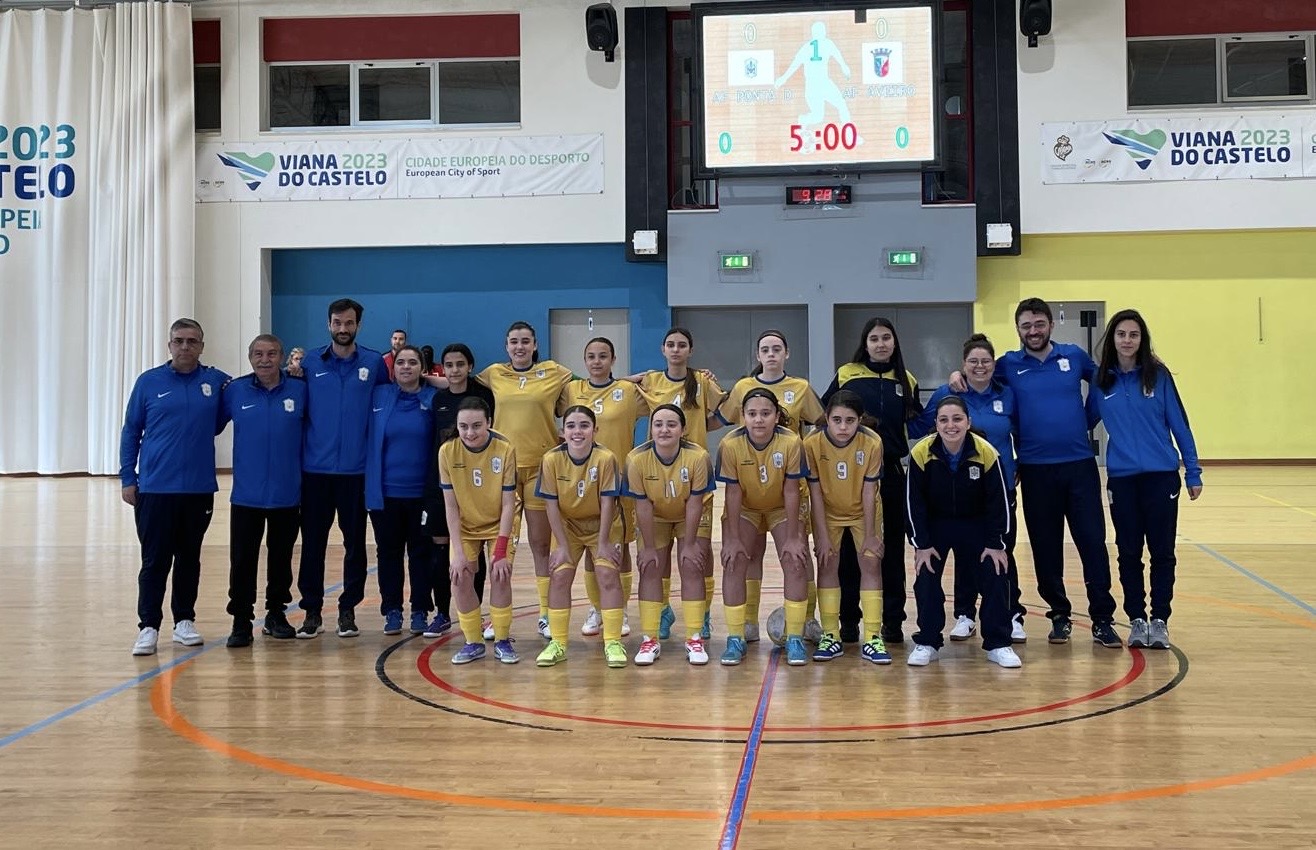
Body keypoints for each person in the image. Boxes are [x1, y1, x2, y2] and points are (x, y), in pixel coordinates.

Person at [952, 298, 1121, 647]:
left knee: (1092, 542)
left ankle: (1103, 618)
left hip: (1079, 466)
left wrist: (1087, 419)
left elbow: (1105, 379)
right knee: (1045, 547)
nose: (1033, 331)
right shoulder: (1007, 365)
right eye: (1026, 325)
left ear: (1050, 325)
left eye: (1039, 324)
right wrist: (956, 375)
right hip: (1034, 470)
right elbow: (978, 375)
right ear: (1018, 329)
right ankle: (1059, 615)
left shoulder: (1073, 356)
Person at [1089, 309, 1202, 650]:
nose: (1127, 340)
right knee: (1128, 552)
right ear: (1112, 339)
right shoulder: (1102, 382)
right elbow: (1081, 422)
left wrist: (1193, 471)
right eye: (1121, 334)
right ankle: (1137, 619)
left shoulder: (1158, 376)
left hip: (1161, 477)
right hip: (1122, 480)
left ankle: (1160, 620)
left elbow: (1180, 424)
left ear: (1142, 339)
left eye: (1134, 334)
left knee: (1162, 552)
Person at [120, 318, 231, 656]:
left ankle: (184, 621)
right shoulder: (149, 382)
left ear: (202, 346)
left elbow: (233, 407)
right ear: (169, 345)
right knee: (154, 560)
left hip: (198, 490)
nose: (185, 346)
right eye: (179, 341)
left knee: (189, 558)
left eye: (192, 341)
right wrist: (128, 477)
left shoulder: (216, 382)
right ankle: (148, 626)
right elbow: (131, 431)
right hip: (155, 489)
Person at [912, 334, 1027, 644]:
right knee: (964, 556)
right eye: (973, 361)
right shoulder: (947, 393)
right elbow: (921, 425)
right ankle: (965, 613)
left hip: (997, 488)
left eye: (985, 361)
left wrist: (1021, 464)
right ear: (963, 365)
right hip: (956, 491)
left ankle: (1011, 614)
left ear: (994, 364)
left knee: (1000, 553)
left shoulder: (1007, 394)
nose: (980, 366)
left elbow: (1023, 431)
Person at [716, 329, 825, 642]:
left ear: (786, 353)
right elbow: (717, 418)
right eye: (765, 349)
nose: (771, 354)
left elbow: (822, 422)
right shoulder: (742, 389)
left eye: (777, 349)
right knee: (748, 555)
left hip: (786, 483)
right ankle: (746, 623)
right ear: (758, 355)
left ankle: (806, 620)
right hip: (749, 485)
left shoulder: (800, 388)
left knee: (797, 554)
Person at [821, 317, 920, 646]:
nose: (881, 344)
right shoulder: (847, 373)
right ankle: (848, 620)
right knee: (851, 551)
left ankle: (892, 621)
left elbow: (919, 421)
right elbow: (825, 416)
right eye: (874, 338)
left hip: (890, 473)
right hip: (850, 473)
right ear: (865, 344)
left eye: (886, 338)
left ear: (895, 342)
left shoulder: (906, 379)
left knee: (888, 549)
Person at [295, 298, 389, 640]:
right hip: (315, 472)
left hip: (356, 472)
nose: (343, 329)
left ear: (358, 325)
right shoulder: (308, 362)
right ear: (329, 324)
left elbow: (386, 405)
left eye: (349, 323)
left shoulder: (374, 363)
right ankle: (312, 611)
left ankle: (348, 609)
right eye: (337, 322)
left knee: (355, 544)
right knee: (313, 544)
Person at [477, 321, 575, 641]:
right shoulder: (494, 374)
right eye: (514, 342)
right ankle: (498, 616)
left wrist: (629, 381)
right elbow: (458, 382)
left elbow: (591, 384)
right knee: (502, 546)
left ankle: (546, 613)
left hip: (540, 470)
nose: (519, 347)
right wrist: (422, 379)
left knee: (540, 544)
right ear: (506, 346)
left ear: (535, 345)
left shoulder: (554, 372)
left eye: (525, 341)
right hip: (504, 470)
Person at [905, 396, 1020, 669]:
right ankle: (928, 641)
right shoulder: (921, 452)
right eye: (944, 420)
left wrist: (996, 543)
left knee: (996, 570)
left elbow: (999, 502)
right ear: (936, 424)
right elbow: (913, 503)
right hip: (937, 524)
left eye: (957, 419)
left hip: (976, 523)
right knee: (926, 573)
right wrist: (921, 544)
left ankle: (998, 643)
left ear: (968, 422)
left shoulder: (986, 452)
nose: (951, 425)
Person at [637, 327, 725, 641]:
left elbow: (726, 412)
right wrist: (634, 378)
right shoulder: (650, 381)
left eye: (682, 345)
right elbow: (614, 388)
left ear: (690, 350)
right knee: (658, 556)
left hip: (694, 473)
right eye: (671, 345)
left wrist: (700, 426)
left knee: (699, 553)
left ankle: (702, 615)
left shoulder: (702, 381)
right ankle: (662, 611)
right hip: (657, 475)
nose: (676, 350)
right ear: (663, 349)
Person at [558, 337, 647, 640]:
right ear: (584, 361)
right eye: (591, 356)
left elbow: (663, 393)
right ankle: (597, 608)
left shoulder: (628, 392)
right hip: (582, 482)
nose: (597, 361)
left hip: (620, 480)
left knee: (619, 547)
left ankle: (620, 609)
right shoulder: (572, 390)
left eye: (603, 356)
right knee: (590, 548)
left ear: (613, 359)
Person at [220, 334, 306, 647]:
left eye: (271, 354)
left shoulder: (300, 390)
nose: (265, 360)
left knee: (281, 559)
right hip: (247, 495)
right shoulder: (235, 390)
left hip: (287, 494)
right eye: (258, 354)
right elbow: (210, 423)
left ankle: (276, 614)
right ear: (250, 358)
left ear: (282, 357)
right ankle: (241, 620)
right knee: (242, 560)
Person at [716, 389, 811, 666]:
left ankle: (795, 637)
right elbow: (733, 492)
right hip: (746, 507)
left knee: (795, 560)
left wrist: (793, 537)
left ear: (777, 416)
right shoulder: (730, 444)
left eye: (765, 413)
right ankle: (736, 636)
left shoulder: (791, 442)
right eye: (752, 414)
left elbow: (791, 490)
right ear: (743, 417)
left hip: (781, 506)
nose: (759, 419)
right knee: (734, 560)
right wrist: (733, 538)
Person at [622, 404, 714, 666]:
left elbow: (695, 502)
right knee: (650, 566)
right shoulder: (636, 459)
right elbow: (642, 505)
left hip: (690, 514)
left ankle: (694, 637)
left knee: (692, 564)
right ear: (650, 429)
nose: (664, 430)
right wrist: (649, 547)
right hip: (655, 516)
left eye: (671, 424)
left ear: (683, 430)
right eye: (658, 424)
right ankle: (649, 639)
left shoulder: (698, 457)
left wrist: (691, 543)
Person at [535, 406, 625, 667]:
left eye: (584, 425)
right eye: (571, 426)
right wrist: (562, 546)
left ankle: (613, 642)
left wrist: (603, 542)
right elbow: (551, 505)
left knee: (607, 573)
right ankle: (558, 643)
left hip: (603, 524)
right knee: (560, 574)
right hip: (568, 526)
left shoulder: (606, 458)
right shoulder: (551, 459)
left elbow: (608, 503)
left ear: (595, 430)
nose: (577, 431)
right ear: (562, 432)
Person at [803, 390, 889, 664]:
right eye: (837, 420)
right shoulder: (811, 443)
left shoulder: (872, 442)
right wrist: (822, 536)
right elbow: (815, 492)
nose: (843, 427)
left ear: (860, 420)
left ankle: (873, 636)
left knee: (871, 562)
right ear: (826, 418)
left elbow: (869, 490)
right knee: (827, 562)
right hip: (828, 512)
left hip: (863, 511)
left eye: (850, 421)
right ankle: (830, 635)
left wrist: (871, 535)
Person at [422, 343, 495, 639]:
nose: (454, 370)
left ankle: (476, 615)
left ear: (470, 366)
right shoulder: (438, 399)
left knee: (474, 553)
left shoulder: (483, 396)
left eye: (460, 364)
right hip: (441, 484)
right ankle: (442, 612)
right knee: (441, 550)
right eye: (449, 365)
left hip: (476, 484)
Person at [366, 344, 439, 636]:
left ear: (423, 368)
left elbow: (462, 386)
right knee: (388, 554)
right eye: (400, 363)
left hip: (422, 495)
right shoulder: (379, 395)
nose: (406, 367)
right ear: (392, 368)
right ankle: (392, 610)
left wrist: (431, 380)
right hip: (385, 494)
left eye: (412, 362)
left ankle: (420, 609)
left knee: (421, 554)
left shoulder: (432, 398)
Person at [439, 397, 518, 664]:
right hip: (465, 525)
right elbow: (450, 506)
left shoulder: (505, 448)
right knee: (459, 576)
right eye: (463, 427)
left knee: (500, 574)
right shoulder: (447, 452)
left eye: (476, 426)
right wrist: (458, 552)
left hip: (499, 523)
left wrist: (500, 550)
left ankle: (503, 640)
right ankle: (473, 642)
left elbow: (508, 504)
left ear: (489, 423)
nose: (470, 433)